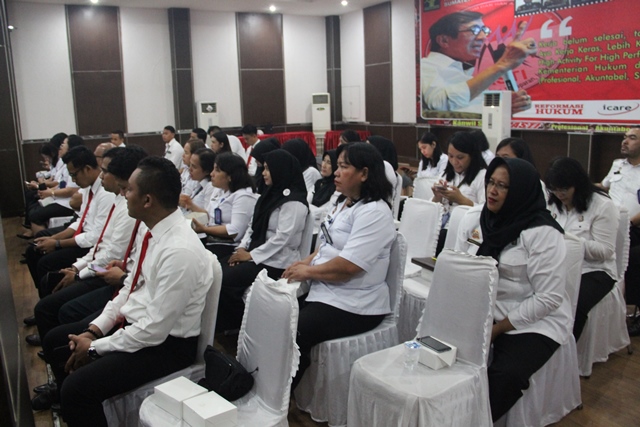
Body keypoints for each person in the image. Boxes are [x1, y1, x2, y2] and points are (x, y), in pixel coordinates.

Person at [34, 157, 215, 425]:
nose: (123, 194)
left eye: (129, 189)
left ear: (148, 200)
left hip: (166, 347)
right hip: (141, 328)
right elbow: (128, 290)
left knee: (76, 389)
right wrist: (94, 330)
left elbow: (154, 330)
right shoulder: (152, 232)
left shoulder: (180, 251)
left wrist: (95, 348)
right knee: (58, 343)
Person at [454, 157, 571, 421]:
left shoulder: (543, 233)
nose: (492, 191)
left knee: (506, 375)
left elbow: (549, 298)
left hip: (533, 320)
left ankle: (476, 421)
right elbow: (460, 265)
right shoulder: (480, 218)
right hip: (485, 308)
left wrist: (497, 328)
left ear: (520, 191)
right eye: (491, 183)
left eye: (503, 186)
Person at [282, 142, 396, 389]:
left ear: (364, 174)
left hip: (356, 303)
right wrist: (305, 261)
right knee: (280, 313)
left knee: (297, 329)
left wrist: (308, 272)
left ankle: (278, 398)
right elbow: (327, 243)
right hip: (328, 290)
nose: (335, 171)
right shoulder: (344, 203)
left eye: (344, 166)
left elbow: (348, 267)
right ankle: (265, 384)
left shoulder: (375, 212)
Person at [28, 146, 146, 354]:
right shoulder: (120, 201)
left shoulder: (128, 208)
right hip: (110, 271)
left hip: (109, 275)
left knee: (60, 307)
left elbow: (112, 255)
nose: (102, 176)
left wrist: (79, 272)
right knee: (50, 281)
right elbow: (102, 244)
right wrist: (76, 268)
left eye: (105, 171)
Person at [216, 149, 309, 332]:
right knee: (217, 268)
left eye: (268, 169)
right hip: (258, 255)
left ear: (280, 170)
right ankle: (231, 322)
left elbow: (282, 238)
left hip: (278, 261)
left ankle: (237, 325)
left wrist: (250, 255)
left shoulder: (294, 203)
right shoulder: (268, 195)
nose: (264, 173)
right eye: (264, 168)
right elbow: (252, 226)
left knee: (224, 278)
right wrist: (240, 250)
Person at [26, 146, 116, 298]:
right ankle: (45, 295)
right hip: (89, 246)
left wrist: (58, 244)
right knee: (35, 249)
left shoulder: (106, 193)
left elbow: (96, 239)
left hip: (91, 247)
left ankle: (48, 296)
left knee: (45, 263)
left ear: (87, 169)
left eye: (74, 175)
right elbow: (81, 220)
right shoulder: (88, 187)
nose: (73, 180)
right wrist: (54, 239)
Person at [545, 157, 618, 341]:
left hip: (594, 270)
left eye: (564, 189)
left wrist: (570, 241)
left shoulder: (602, 205)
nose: (559, 194)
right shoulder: (552, 201)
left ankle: (566, 351)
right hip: (558, 264)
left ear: (576, 184)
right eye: (554, 188)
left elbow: (605, 251)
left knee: (573, 304)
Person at [420, 11, 536, 113]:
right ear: (444, 40)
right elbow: (440, 105)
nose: (483, 37)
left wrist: (507, 106)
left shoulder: (465, 74)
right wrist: (501, 65)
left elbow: (473, 107)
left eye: (484, 30)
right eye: (474, 30)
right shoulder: (424, 67)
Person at [599, 126, 640, 335]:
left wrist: (628, 223)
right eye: (625, 137)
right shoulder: (617, 165)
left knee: (632, 261)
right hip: (608, 224)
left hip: (634, 229)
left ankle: (631, 310)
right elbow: (604, 187)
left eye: (632, 138)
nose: (625, 141)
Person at [192, 152, 258, 259]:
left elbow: (235, 231)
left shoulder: (243, 196)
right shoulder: (219, 190)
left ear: (230, 176)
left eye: (217, 170)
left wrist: (205, 229)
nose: (212, 174)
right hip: (212, 240)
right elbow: (210, 217)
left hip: (229, 246)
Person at [432, 131, 487, 253]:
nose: (454, 162)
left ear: (472, 155)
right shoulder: (446, 174)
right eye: (450, 156)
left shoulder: (482, 177)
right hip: (441, 225)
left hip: (466, 230)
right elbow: (435, 208)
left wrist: (461, 200)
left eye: (460, 157)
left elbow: (486, 212)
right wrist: (437, 197)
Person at [24, 135, 84, 236]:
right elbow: (61, 184)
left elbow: (71, 190)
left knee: (35, 215)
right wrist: (47, 190)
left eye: (63, 144)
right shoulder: (66, 163)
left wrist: (50, 192)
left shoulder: (76, 164)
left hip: (69, 203)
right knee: (35, 207)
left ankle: (42, 241)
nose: (60, 147)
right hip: (62, 199)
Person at [308, 150, 340, 235]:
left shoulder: (337, 187)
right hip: (309, 226)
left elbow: (323, 211)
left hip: (322, 229)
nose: (324, 165)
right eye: (323, 160)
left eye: (329, 162)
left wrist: (309, 209)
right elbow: (305, 202)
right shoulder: (319, 183)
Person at [179, 148, 216, 215]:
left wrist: (191, 205)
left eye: (194, 167)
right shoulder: (196, 181)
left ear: (206, 171)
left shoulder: (210, 187)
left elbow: (208, 216)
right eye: (190, 164)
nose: (190, 169)